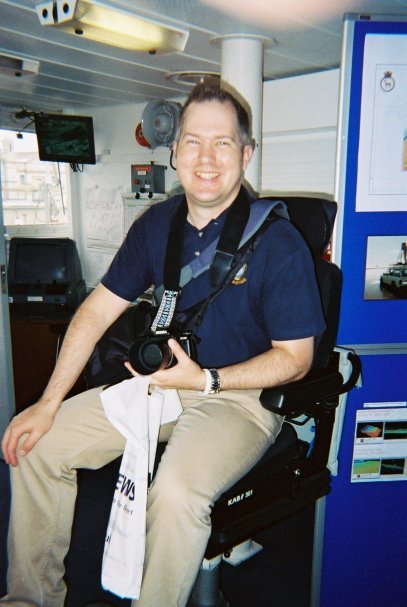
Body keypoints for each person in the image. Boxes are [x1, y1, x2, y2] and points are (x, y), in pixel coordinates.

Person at [1, 85, 325, 607]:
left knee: (175, 496)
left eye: (223, 144)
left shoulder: (279, 243)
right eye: (193, 141)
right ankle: (29, 599)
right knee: (38, 446)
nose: (205, 158)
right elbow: (95, 311)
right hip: (163, 383)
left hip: (239, 397)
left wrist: (207, 379)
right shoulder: (157, 224)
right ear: (173, 152)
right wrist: (47, 402)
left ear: (245, 155)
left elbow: (296, 359)